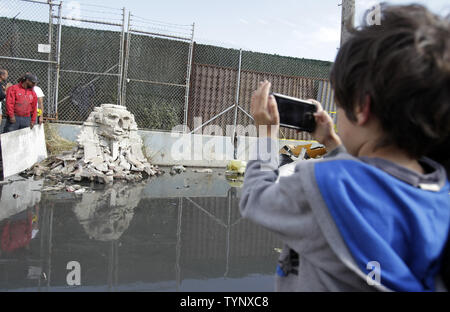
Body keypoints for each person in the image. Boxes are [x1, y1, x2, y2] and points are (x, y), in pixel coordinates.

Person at [240, 4, 450, 292]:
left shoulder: (319, 184)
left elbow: (254, 199)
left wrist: (266, 133)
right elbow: (370, 186)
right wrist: (331, 143)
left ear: (362, 107)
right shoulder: (440, 196)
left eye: (339, 103)